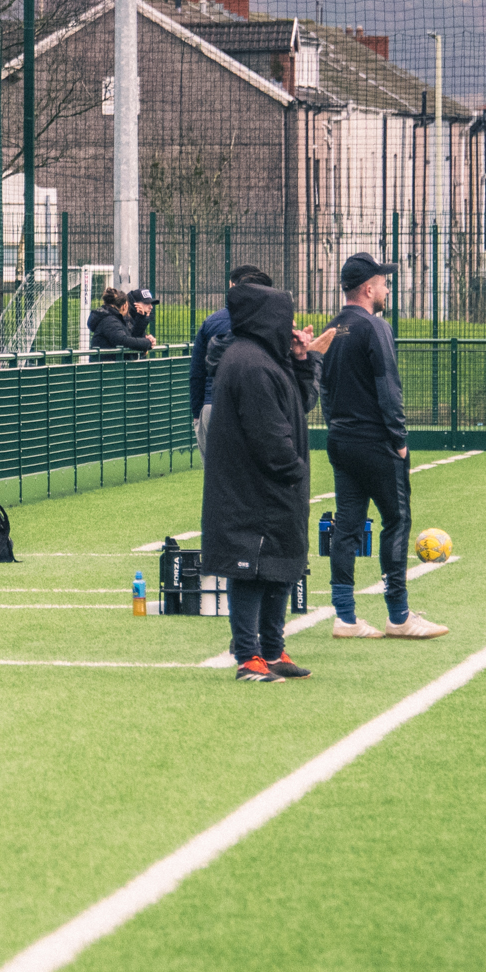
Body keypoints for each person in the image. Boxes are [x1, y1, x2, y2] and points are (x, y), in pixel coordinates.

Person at [199, 278, 329, 682]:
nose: (291, 327)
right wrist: (293, 469)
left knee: (281, 566)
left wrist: (303, 360)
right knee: (251, 569)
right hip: (255, 489)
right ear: (266, 319)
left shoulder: (268, 358)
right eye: (285, 319)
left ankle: (272, 650)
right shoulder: (249, 363)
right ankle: (249, 656)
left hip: (276, 490)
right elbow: (268, 434)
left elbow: (300, 403)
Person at [319, 254, 446, 640]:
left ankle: (345, 617)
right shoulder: (376, 327)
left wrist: (337, 426)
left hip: (340, 439)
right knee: (397, 520)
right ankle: (399, 615)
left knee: (347, 526)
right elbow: (389, 388)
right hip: (375, 442)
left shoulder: (331, 329)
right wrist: (399, 440)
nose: (387, 289)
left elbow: (323, 388)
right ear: (367, 289)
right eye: (383, 283)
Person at [188, 265, 272, 449]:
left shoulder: (211, 321)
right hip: (252, 408)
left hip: (212, 404)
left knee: (213, 467)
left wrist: (197, 412)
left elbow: (197, 372)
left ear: (231, 285)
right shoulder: (269, 321)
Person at [88, 286, 155, 359]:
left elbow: (132, 338)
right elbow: (122, 341)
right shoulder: (110, 320)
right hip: (107, 365)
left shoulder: (115, 319)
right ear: (124, 306)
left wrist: (141, 319)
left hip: (111, 364)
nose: (151, 307)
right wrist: (147, 343)